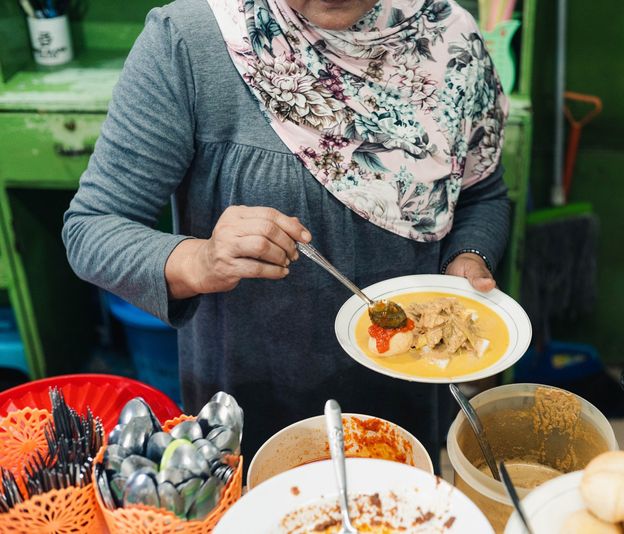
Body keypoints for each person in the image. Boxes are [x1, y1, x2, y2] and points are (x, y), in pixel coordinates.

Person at [62, 0, 510, 466]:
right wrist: (202, 260)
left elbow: (482, 193)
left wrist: (469, 257)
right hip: (249, 412)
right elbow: (92, 229)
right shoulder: (191, 41)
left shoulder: (448, 38)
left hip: (406, 404)